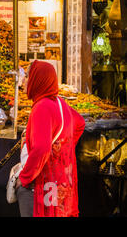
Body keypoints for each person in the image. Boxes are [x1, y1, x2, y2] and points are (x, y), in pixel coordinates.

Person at [15, 60, 85, 217]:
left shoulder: (42, 107)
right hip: (59, 180)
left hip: (44, 182)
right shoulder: (60, 103)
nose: (24, 80)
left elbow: (41, 149)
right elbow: (80, 123)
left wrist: (24, 178)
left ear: (37, 79)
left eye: (27, 76)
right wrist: (62, 149)